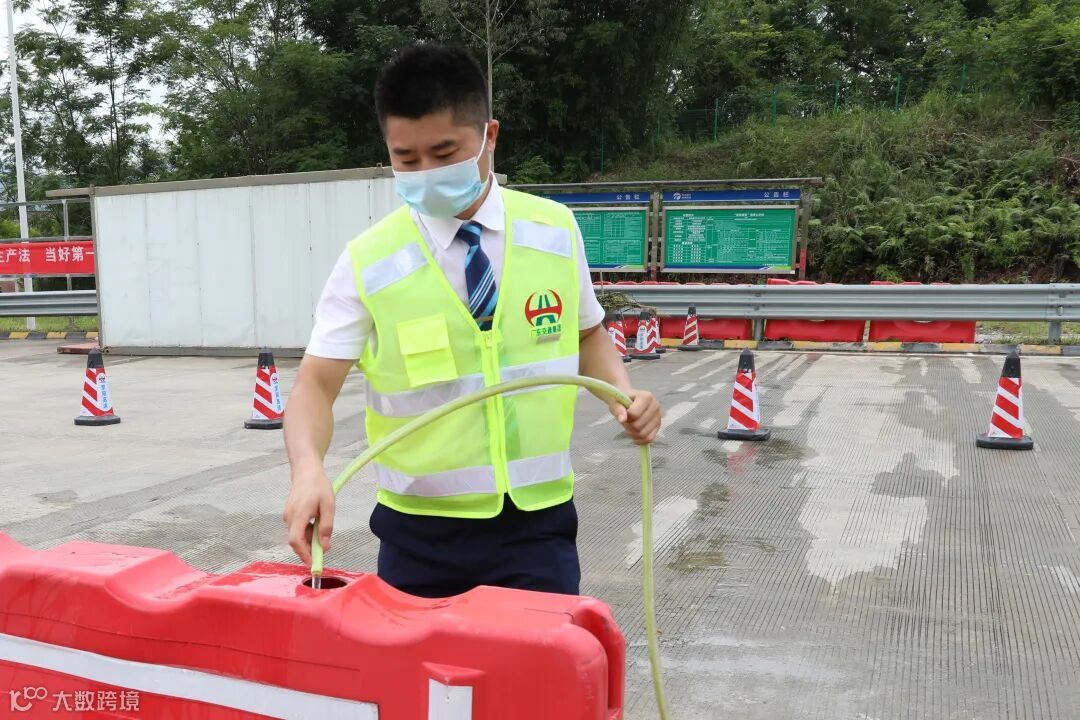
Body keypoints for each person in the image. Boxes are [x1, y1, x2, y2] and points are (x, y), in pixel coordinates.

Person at [282, 44, 661, 598]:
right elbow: (315, 385)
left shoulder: (554, 229)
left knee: (541, 655)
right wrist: (307, 469)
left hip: (538, 527)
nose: (427, 173)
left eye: (444, 152)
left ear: (489, 136)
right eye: (406, 159)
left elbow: (586, 332)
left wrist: (623, 395)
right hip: (418, 535)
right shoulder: (368, 261)